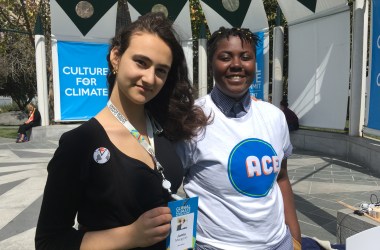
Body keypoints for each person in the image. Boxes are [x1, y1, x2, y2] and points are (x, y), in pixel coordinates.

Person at [35, 12, 208, 250]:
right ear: (116, 57)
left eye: (161, 70)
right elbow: (49, 242)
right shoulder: (80, 143)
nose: (149, 78)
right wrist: (130, 235)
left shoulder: (164, 129)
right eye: (141, 62)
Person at [176, 27, 301, 250]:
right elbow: (169, 191)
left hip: (279, 243)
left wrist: (295, 240)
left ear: (254, 63)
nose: (236, 64)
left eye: (246, 57)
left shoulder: (274, 117)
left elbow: (281, 178)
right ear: (212, 63)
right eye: (225, 57)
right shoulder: (190, 120)